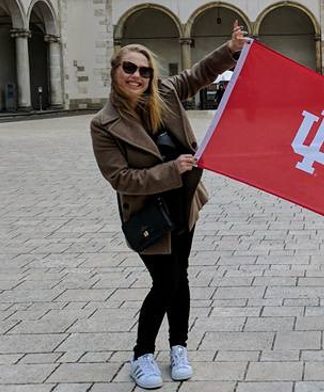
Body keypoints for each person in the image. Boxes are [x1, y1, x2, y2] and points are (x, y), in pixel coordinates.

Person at [90, 23, 246, 389]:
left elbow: (199, 73)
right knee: (166, 280)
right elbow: (122, 179)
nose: (137, 76)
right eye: (129, 68)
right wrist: (170, 170)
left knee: (180, 276)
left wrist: (230, 48)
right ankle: (142, 354)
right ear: (115, 71)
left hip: (184, 202)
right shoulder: (104, 124)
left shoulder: (166, 92)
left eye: (144, 70)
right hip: (149, 214)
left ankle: (179, 346)